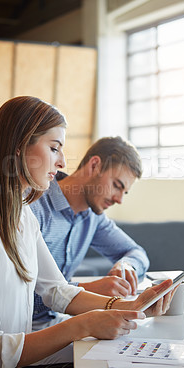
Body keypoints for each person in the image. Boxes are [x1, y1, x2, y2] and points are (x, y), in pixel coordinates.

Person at [0, 96, 174, 368]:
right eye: (55, 148)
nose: (62, 162)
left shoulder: (21, 215)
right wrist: (83, 324)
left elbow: (56, 290)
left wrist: (132, 306)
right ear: (19, 148)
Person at [30, 136, 149, 333]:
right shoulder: (35, 206)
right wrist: (87, 290)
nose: (119, 199)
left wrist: (126, 265)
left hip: (56, 323)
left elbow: (136, 252)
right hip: (21, 332)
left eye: (124, 192)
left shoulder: (94, 218)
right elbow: (17, 293)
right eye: (117, 185)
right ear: (94, 166)